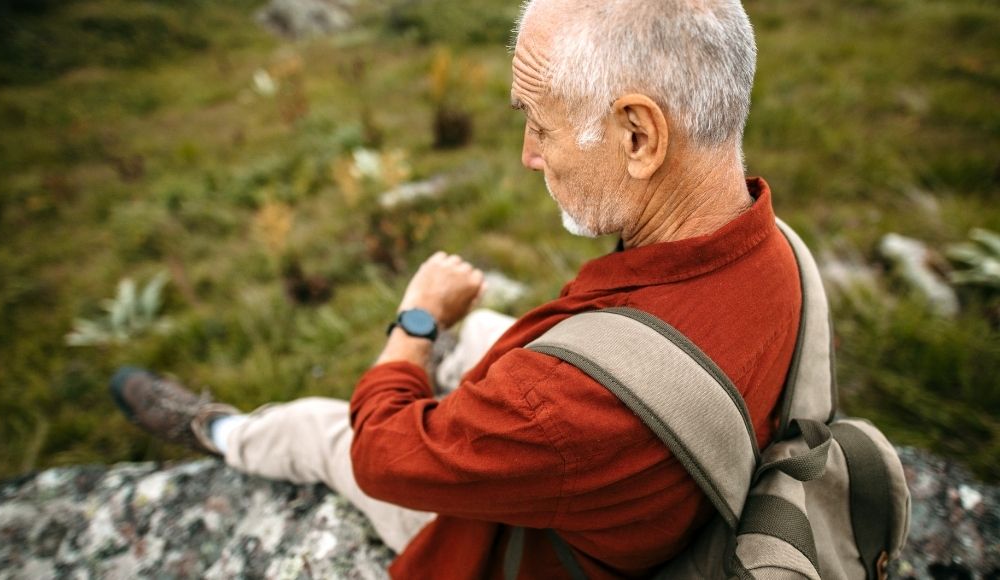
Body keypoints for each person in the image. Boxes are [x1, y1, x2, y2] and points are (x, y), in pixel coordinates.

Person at [111, 0, 804, 577]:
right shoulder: (774, 251)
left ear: (638, 136)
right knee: (480, 333)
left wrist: (414, 324)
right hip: (651, 469)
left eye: (540, 124)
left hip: (514, 539)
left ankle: (221, 429)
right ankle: (448, 374)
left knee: (325, 428)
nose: (528, 155)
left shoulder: (558, 407)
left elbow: (377, 453)